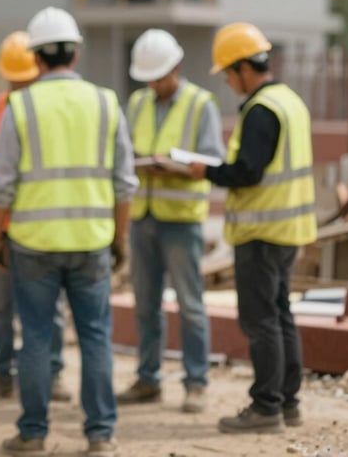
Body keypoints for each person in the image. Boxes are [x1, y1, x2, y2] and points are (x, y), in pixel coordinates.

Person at [0, 7, 137, 456]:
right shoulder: (106, 103)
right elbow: (124, 183)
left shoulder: (21, 106)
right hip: (91, 241)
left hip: (33, 244)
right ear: (76, 53)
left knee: (35, 337)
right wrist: (120, 238)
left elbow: (0, 186)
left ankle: (33, 433)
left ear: (35, 57)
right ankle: (101, 435)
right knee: (95, 337)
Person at [189, 22, 317, 434]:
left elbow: (248, 172)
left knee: (261, 322)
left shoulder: (261, 110)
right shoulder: (290, 101)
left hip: (261, 233)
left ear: (244, 67)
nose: (228, 81)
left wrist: (206, 170)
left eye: (228, 73)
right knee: (280, 316)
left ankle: (266, 408)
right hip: (288, 230)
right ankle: (287, 402)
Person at [117, 29, 224, 413]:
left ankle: (196, 383)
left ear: (176, 67)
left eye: (159, 77)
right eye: (149, 79)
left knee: (190, 304)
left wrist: (177, 167)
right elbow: (123, 151)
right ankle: (148, 380)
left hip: (181, 220)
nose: (154, 85)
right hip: (143, 216)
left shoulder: (200, 104)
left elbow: (213, 159)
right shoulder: (137, 103)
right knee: (145, 304)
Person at [0, 31, 71, 405]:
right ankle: (1, 374)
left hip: (37, 223)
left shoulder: (47, 109)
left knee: (49, 306)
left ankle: (52, 375)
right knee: (0, 307)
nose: (19, 87)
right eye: (14, 81)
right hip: (0, 222)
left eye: (24, 80)